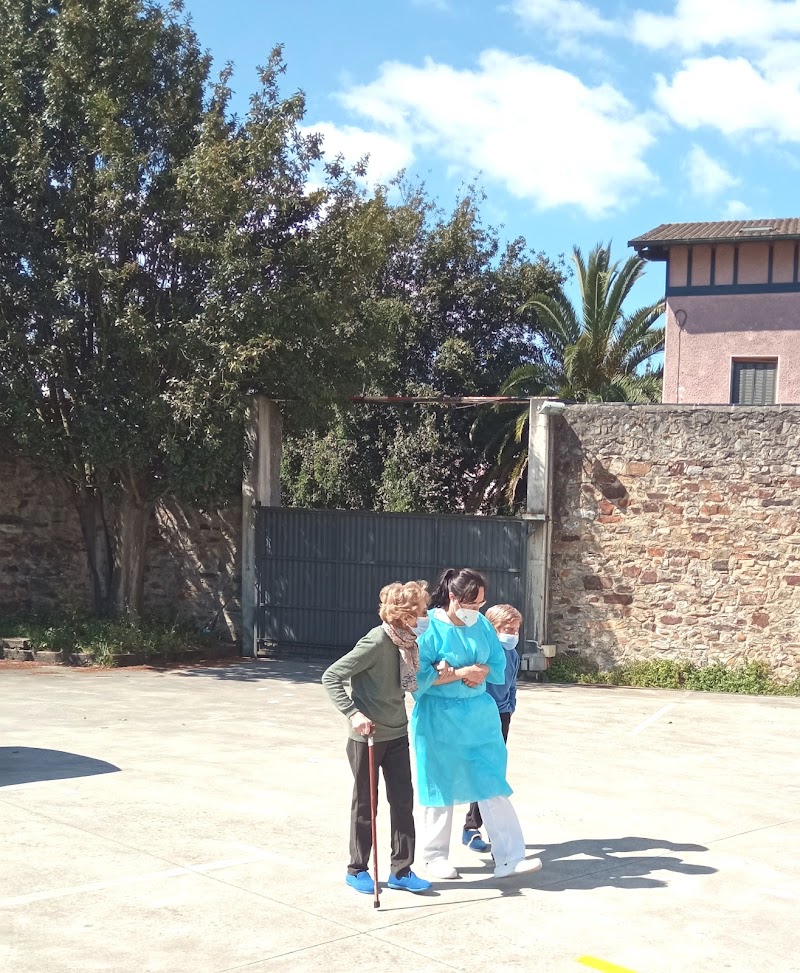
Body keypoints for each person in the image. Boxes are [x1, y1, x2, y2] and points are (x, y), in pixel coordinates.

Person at [411, 568, 541, 880]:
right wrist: (461, 673)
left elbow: (497, 662)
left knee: (491, 782)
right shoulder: (429, 627)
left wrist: (476, 671)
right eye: (472, 603)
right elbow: (416, 678)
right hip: (438, 717)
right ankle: (434, 857)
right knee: (439, 784)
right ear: (453, 596)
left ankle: (510, 857)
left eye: (481, 603)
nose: (476, 609)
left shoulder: (481, 624)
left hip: (479, 716)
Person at [322, 581, 432, 896]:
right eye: (422, 611)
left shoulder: (408, 643)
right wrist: (353, 713)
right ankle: (357, 869)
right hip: (368, 737)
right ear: (406, 615)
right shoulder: (375, 642)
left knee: (402, 801)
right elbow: (331, 676)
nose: (425, 617)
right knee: (365, 804)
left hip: (397, 731)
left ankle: (402, 870)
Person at [462, 603, 523, 855]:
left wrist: (510, 707)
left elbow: (512, 684)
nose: (512, 633)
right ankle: (471, 827)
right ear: (493, 628)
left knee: (494, 772)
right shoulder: (483, 653)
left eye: (516, 629)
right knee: (480, 771)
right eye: (507, 628)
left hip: (502, 715)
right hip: (481, 715)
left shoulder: (513, 654)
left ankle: (488, 825)